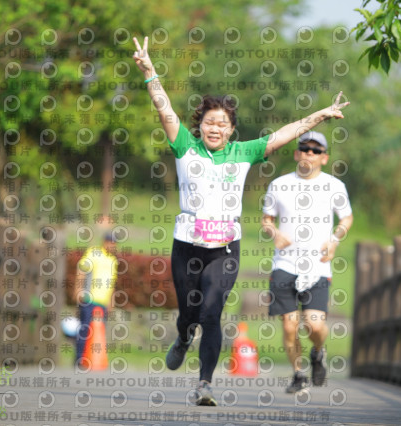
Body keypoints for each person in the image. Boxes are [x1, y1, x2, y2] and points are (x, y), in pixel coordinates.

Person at [132, 35, 350, 406]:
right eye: (209, 122)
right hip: (187, 244)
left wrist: (321, 116)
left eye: (223, 124)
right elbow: (164, 108)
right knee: (189, 312)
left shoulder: (244, 152)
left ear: (232, 129)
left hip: (225, 248)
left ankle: (204, 384)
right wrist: (151, 72)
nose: (215, 128)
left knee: (212, 311)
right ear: (199, 125)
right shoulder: (184, 146)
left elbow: (285, 134)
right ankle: (184, 336)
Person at [261, 130, 353, 394]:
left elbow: (346, 219)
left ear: (324, 158)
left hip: (318, 265)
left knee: (314, 323)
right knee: (289, 325)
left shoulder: (335, 186)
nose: (309, 154)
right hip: (285, 264)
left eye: (316, 151)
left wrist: (335, 240)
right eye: (305, 148)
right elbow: (267, 220)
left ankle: (318, 351)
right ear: (296, 153)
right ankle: (299, 374)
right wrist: (275, 233)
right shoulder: (279, 184)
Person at [74, 232, 118, 365]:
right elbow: (82, 271)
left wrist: (111, 301)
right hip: (89, 299)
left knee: (99, 332)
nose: (112, 245)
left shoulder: (112, 260)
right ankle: (80, 360)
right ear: (104, 242)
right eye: (110, 242)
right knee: (85, 330)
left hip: (103, 302)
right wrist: (78, 289)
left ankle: (94, 360)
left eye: (114, 243)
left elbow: (112, 283)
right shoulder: (93, 253)